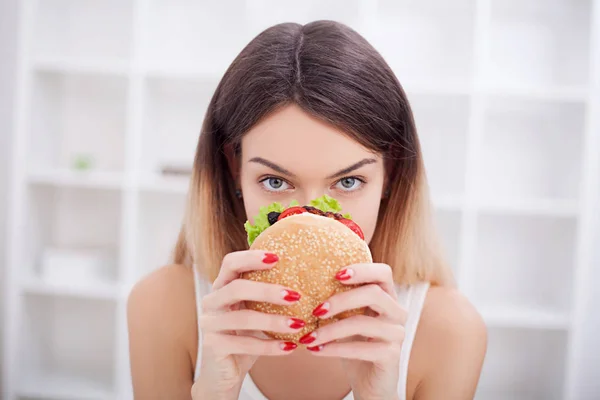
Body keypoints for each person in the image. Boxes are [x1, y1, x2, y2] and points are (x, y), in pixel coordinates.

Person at [127, 20, 487, 400]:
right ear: (235, 169)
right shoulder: (162, 307)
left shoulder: (452, 332)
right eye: (276, 181)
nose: (309, 218)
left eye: (348, 182)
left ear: (391, 174)